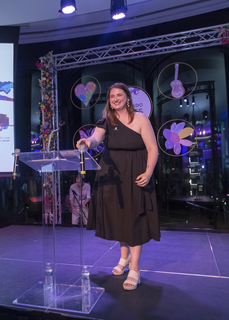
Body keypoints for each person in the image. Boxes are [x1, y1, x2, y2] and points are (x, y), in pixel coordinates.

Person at [76, 83, 160, 291]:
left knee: (133, 218)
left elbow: (152, 148)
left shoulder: (140, 119)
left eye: (119, 95)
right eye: (112, 96)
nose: (115, 99)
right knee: (119, 217)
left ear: (127, 98)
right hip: (111, 174)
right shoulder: (106, 120)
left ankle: (135, 269)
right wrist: (87, 142)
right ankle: (123, 258)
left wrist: (148, 173)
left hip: (134, 173)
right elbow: (96, 139)